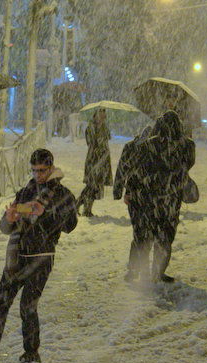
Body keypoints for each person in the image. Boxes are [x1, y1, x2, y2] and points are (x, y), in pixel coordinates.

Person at [0, 149, 78, 363]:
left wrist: (48, 212)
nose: (37, 175)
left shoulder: (64, 194)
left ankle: (31, 353)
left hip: (42, 257)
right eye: (34, 170)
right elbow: (6, 227)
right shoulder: (25, 191)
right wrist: (9, 218)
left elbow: (71, 225)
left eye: (42, 171)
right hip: (17, 256)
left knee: (27, 306)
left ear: (51, 168)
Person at [115, 112, 194, 282]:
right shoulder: (187, 145)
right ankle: (158, 272)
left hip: (147, 198)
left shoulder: (148, 145)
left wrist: (129, 190)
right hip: (170, 199)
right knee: (165, 238)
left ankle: (135, 270)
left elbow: (137, 171)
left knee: (142, 236)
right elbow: (188, 165)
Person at [77, 108, 112, 217]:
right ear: (95, 115)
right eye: (100, 114)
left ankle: (83, 207)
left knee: (96, 185)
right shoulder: (90, 127)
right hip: (93, 159)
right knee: (91, 185)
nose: (102, 116)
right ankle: (82, 207)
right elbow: (90, 142)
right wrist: (98, 141)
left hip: (103, 159)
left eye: (104, 114)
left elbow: (108, 139)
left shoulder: (105, 127)